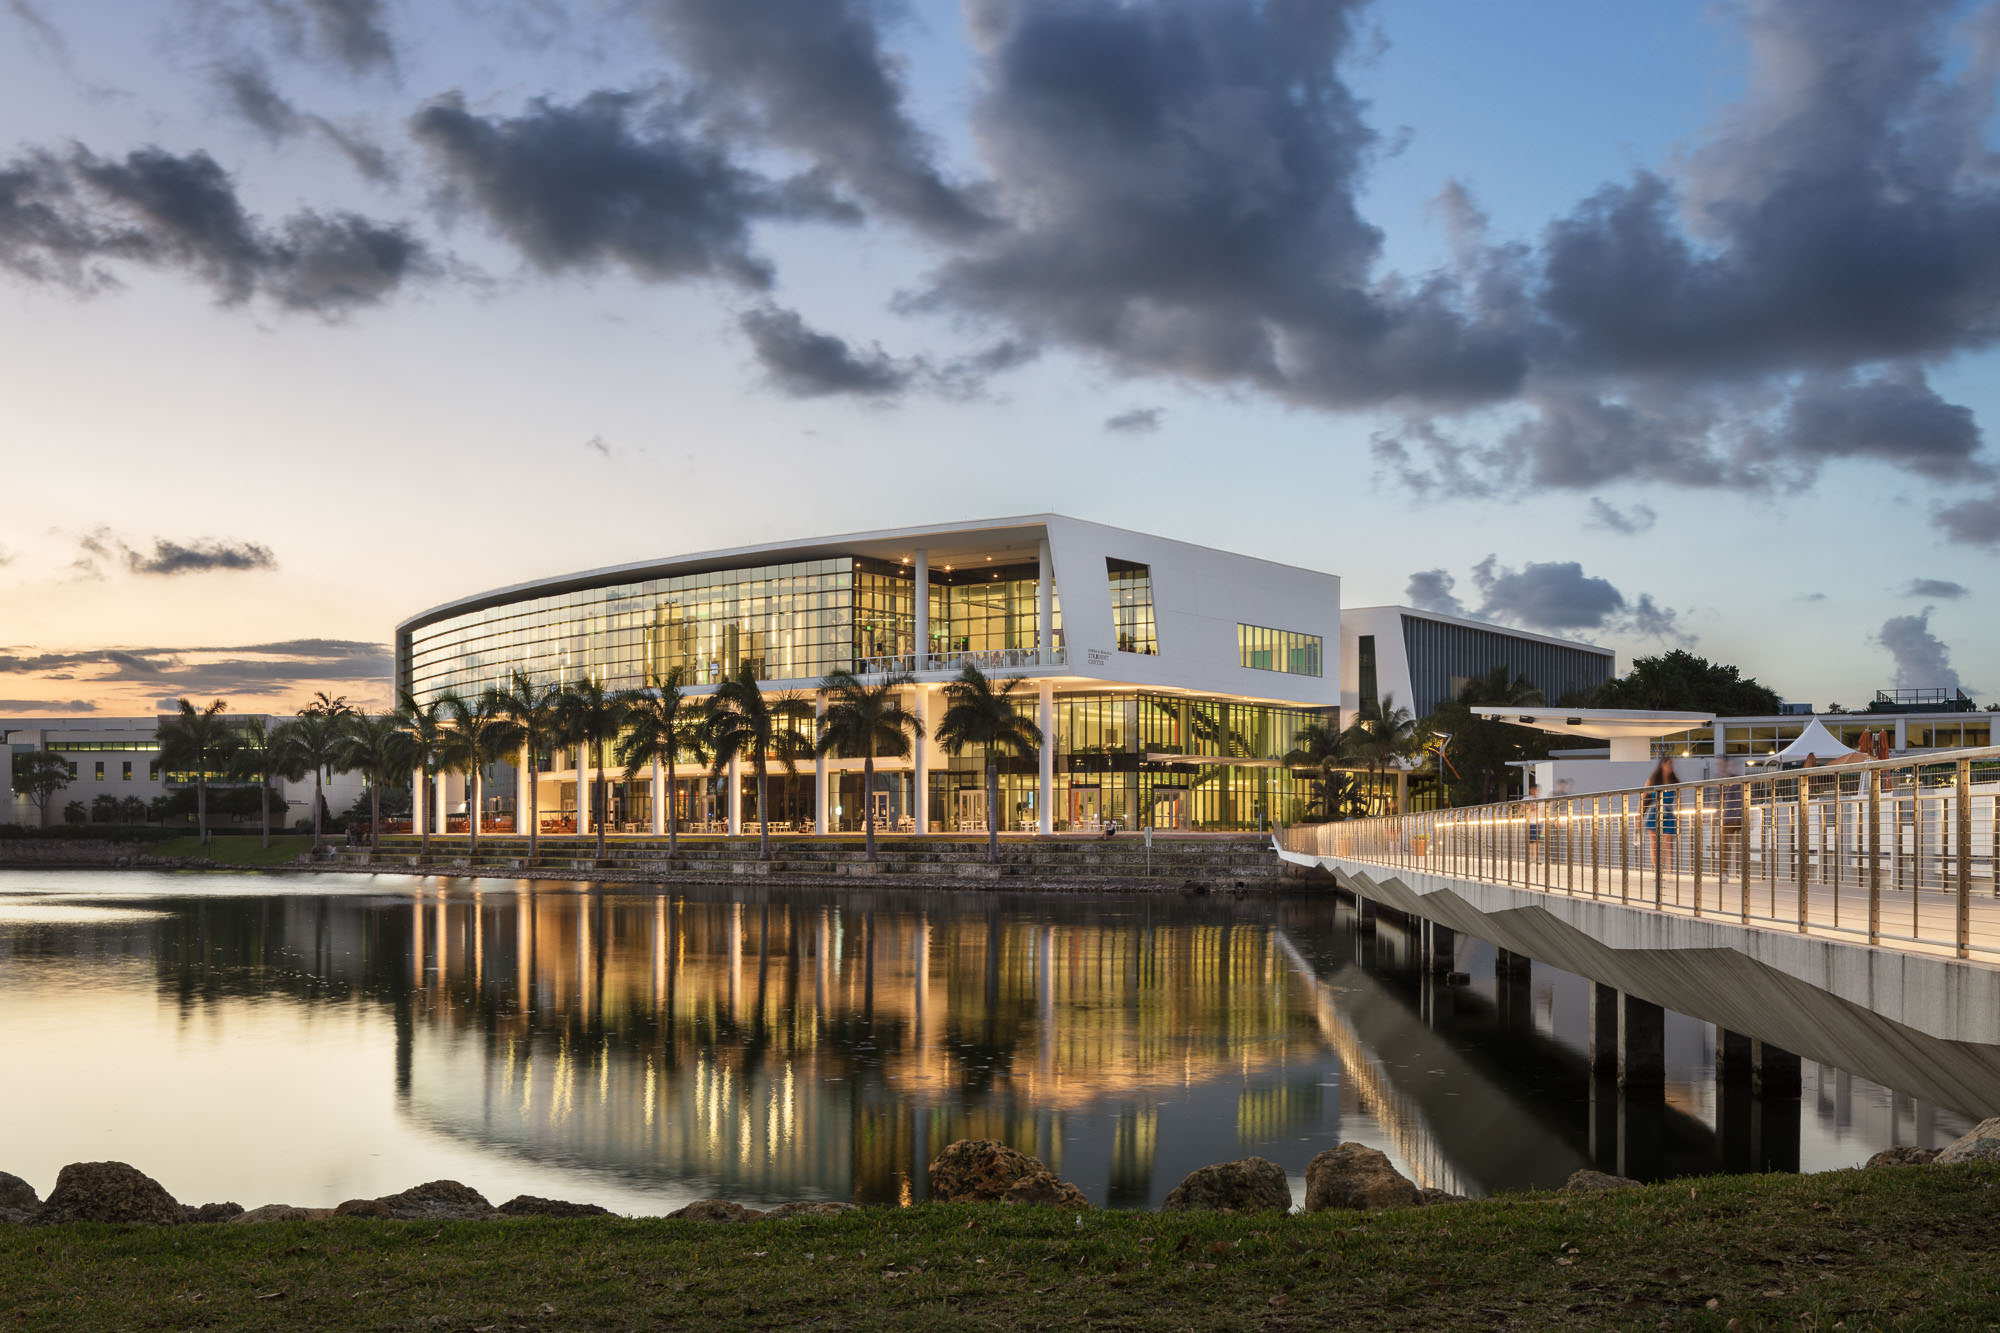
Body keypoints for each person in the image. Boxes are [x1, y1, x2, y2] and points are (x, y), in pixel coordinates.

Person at [1643, 756, 1679, 877]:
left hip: (1668, 813)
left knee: (1668, 841)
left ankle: (1670, 871)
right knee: (1654, 842)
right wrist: (1639, 817)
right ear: (1662, 765)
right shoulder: (1653, 779)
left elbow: (1680, 802)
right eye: (1669, 763)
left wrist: (1679, 819)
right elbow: (1643, 799)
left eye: (1672, 764)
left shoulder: (1675, 781)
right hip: (1654, 812)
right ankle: (1657, 870)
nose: (1671, 766)